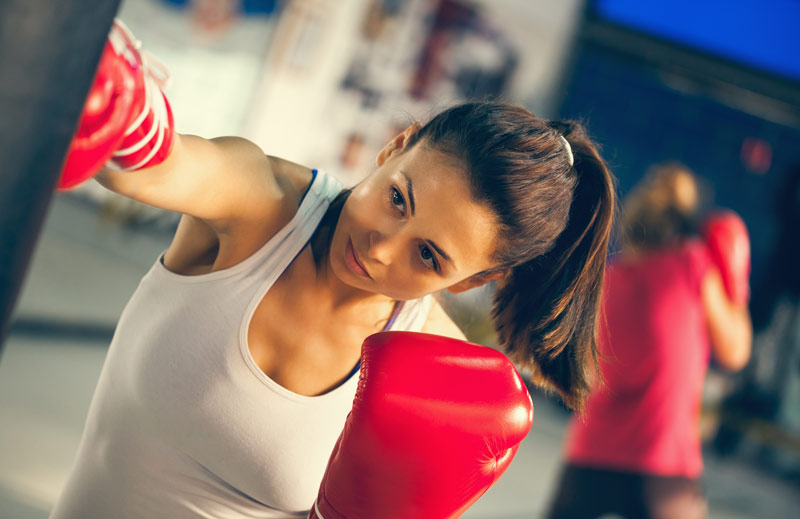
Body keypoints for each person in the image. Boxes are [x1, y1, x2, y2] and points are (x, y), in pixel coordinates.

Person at [50, 21, 615, 518]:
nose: (380, 248)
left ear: (467, 283)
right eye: (398, 199)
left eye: (428, 256)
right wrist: (121, 107)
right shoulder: (263, 206)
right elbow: (157, 167)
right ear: (395, 148)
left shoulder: (439, 379)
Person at [546, 163, 753, 519]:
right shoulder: (693, 267)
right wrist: (735, 287)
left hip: (591, 452)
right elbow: (735, 353)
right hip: (662, 461)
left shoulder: (609, 280)